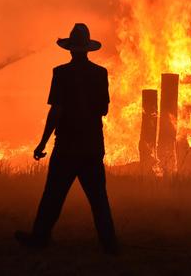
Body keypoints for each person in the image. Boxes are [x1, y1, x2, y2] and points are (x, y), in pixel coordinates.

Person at [15, 23, 118, 254]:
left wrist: (42, 143)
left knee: (53, 195)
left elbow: (56, 110)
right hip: (91, 146)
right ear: (87, 50)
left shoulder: (60, 73)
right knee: (99, 199)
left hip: (67, 146)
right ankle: (110, 245)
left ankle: (39, 237)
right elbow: (104, 110)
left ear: (70, 49)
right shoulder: (100, 74)